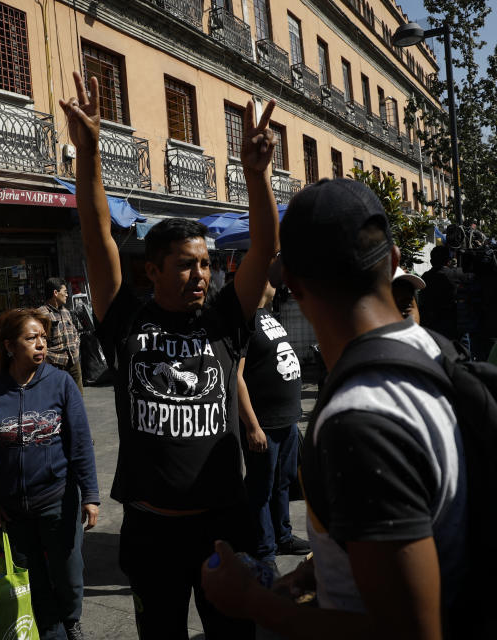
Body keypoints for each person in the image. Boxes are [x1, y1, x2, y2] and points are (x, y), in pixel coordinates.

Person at [60, 71, 279, 639]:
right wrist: (90, 154)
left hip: (222, 526)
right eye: (186, 263)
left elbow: (265, 249)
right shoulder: (127, 319)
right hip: (150, 531)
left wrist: (257, 177)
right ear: (152, 270)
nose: (200, 274)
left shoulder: (226, 319)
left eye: (205, 263)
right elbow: (96, 236)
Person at [201, 178, 467, 640]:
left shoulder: (360, 420)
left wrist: (251, 601)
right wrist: (319, 569)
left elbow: (408, 630)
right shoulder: (436, 351)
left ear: (297, 288)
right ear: (394, 261)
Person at [0, 307, 100, 640]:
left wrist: (92, 496)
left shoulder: (61, 383)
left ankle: (72, 618)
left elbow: (80, 443)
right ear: (10, 346)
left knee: (69, 573)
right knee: (33, 578)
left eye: (43, 337)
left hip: (58, 500)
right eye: (32, 338)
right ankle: (53, 630)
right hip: (11, 509)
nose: (41, 344)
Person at [238, 281, 309, 572]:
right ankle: (264, 551)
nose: (272, 281)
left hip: (286, 419)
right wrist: (252, 426)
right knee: (261, 489)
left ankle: (283, 536)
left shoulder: (267, 315)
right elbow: (237, 378)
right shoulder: (244, 320)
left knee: (283, 482)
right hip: (264, 422)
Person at [38, 277, 84, 393]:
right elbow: (38, 340)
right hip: (55, 364)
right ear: (55, 293)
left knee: (77, 398)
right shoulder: (41, 314)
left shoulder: (66, 312)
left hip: (73, 362)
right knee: (58, 398)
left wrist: (76, 348)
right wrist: (47, 357)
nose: (67, 295)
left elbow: (75, 332)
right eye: (65, 292)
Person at [419, 246, 462, 338]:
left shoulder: (425, 277)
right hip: (452, 325)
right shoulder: (456, 275)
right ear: (449, 260)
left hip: (430, 326)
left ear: (431, 261)